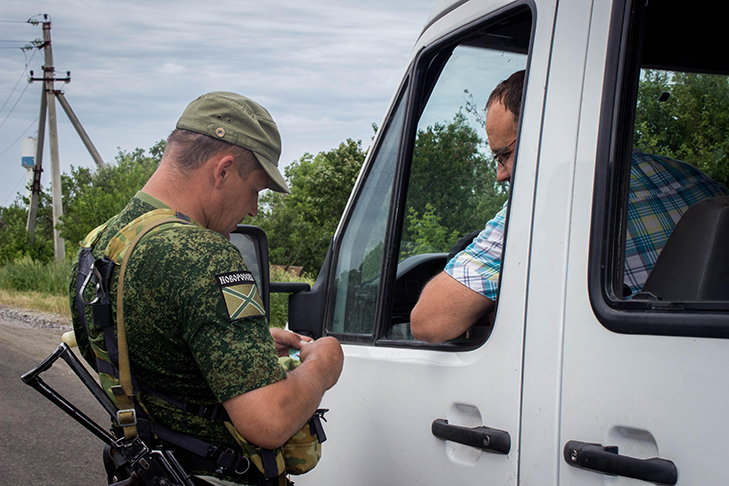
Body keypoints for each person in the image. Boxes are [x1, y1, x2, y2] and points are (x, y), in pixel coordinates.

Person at [69, 92, 344, 485]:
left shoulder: (100, 245)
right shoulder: (203, 254)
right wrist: (322, 366)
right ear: (224, 170)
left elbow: (140, 353)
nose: (253, 210)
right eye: (257, 190)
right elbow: (269, 421)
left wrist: (236, 345)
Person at [411, 71, 728, 343]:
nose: (500, 174)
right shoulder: (691, 178)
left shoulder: (545, 202)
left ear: (544, 134)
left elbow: (429, 322)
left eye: (503, 155)